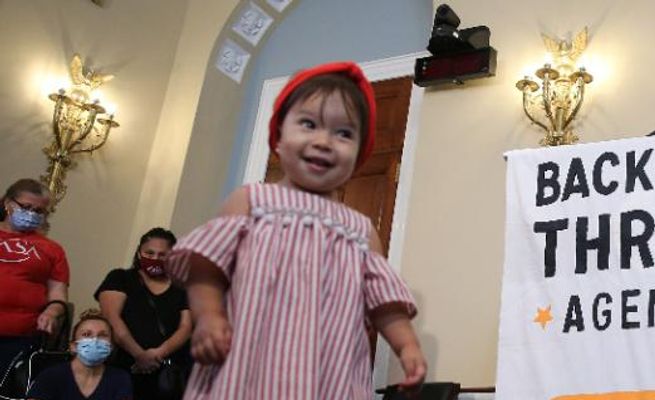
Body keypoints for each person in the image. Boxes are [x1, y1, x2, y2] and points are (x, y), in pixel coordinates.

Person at [165, 61, 425, 399]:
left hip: (328, 375)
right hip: (246, 367)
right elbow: (206, 268)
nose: (324, 141)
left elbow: (384, 303)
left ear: (359, 152)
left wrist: (408, 347)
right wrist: (209, 316)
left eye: (344, 133)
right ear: (278, 137)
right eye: (308, 124)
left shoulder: (360, 230)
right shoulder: (251, 201)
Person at [95, 227, 191, 399]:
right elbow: (112, 318)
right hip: (124, 366)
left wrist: (157, 354)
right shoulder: (120, 277)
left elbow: (186, 326)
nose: (155, 258)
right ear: (139, 253)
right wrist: (139, 355)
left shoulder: (183, 287)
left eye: (162, 255)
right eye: (150, 253)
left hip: (167, 372)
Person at [0, 179, 69, 369]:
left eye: (39, 211)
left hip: (20, 338)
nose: (31, 214)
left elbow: (58, 296)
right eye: (26, 207)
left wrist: (51, 312)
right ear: (8, 203)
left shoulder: (53, 249)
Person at [27, 309, 133, 400]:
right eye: (86, 334)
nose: (94, 340)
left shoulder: (120, 378)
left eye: (102, 335)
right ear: (73, 346)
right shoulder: (51, 376)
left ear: (111, 346)